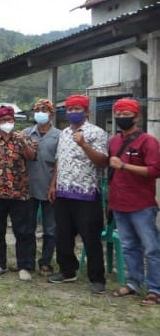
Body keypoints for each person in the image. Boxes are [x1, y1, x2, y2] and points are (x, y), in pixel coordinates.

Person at [48, 95, 108, 294]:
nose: (73, 112)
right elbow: (59, 160)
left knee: (90, 237)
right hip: (63, 192)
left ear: (87, 112)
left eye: (77, 109)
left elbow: (102, 161)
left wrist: (84, 144)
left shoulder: (96, 133)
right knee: (62, 235)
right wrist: (53, 184)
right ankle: (67, 271)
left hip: (86, 193)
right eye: (70, 109)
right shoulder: (64, 133)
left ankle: (97, 278)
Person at [106, 98, 160, 305]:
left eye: (126, 115)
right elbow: (113, 174)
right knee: (129, 246)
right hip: (120, 203)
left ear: (136, 117)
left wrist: (125, 166)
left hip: (142, 204)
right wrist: (110, 201)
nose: (121, 118)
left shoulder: (148, 141)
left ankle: (155, 289)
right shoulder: (114, 142)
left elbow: (155, 170)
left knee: (152, 247)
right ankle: (133, 282)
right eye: (118, 115)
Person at [0, 105, 36, 281]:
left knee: (23, 231)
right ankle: (0, 264)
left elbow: (32, 157)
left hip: (19, 193)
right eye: (4, 120)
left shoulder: (23, 138)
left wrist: (24, 142)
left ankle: (24, 266)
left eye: (10, 120)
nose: (7, 123)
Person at [22, 99, 60, 276]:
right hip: (29, 188)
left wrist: (53, 185)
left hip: (49, 188)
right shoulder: (26, 134)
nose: (40, 112)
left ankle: (45, 262)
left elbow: (59, 163)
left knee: (50, 229)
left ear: (51, 113)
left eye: (43, 109)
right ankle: (27, 262)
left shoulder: (59, 135)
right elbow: (19, 160)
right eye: (36, 109)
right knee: (28, 227)